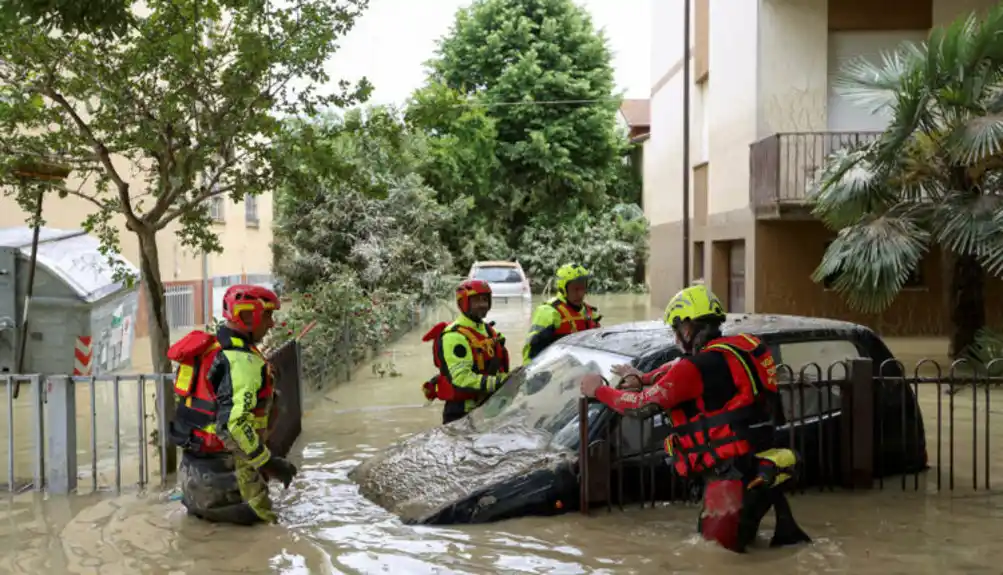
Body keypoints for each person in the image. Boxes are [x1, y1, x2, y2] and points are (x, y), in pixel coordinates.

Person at [580, 284, 811, 553]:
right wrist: (639, 376)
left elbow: (641, 407)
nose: (675, 338)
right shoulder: (740, 350)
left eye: (675, 330)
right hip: (760, 466)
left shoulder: (696, 368)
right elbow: (674, 370)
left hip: (729, 477)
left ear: (688, 328)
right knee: (741, 546)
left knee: (715, 557)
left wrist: (599, 390)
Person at [167, 284, 299, 525]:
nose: (271, 324)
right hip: (230, 483)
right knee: (266, 541)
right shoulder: (243, 362)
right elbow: (234, 424)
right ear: (247, 315)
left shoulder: (208, 349)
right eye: (268, 315)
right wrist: (270, 463)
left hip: (191, 479)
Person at [421, 279, 511, 424]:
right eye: (476, 301)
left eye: (485, 300)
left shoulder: (489, 331)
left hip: (487, 408)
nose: (483, 305)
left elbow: (498, 369)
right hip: (462, 413)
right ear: (464, 303)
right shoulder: (454, 336)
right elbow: (461, 378)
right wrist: (499, 382)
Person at [522, 264, 602, 364]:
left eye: (583, 288)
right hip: (557, 370)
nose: (581, 294)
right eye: (575, 289)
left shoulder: (590, 313)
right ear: (563, 289)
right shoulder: (548, 312)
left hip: (583, 368)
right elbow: (530, 352)